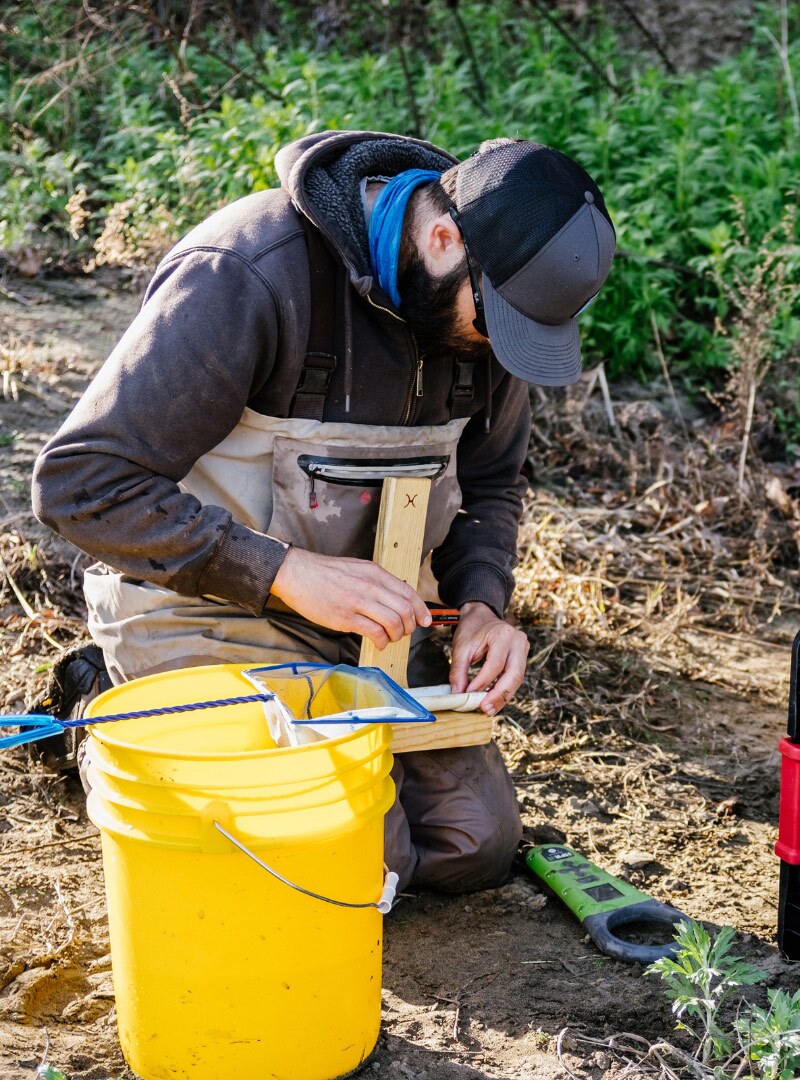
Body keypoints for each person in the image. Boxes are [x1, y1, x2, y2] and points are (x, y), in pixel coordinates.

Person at [32, 130, 616, 893]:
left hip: (375, 625)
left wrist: (481, 603)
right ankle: (106, 712)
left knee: (477, 844)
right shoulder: (249, 272)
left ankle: (288, 775)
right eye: (494, 322)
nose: (496, 348)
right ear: (443, 238)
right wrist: (282, 573)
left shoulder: (482, 317)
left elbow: (494, 483)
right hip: (209, 608)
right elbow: (80, 483)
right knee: (360, 863)